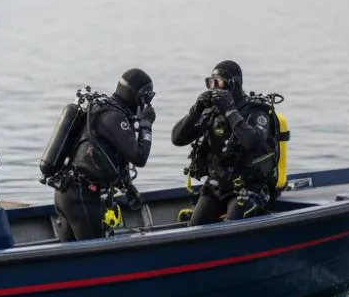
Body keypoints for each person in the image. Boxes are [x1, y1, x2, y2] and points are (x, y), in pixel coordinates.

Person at [52, 69, 155, 242]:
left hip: (67, 192)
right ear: (139, 96)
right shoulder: (114, 118)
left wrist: (128, 188)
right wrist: (146, 125)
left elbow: (109, 158)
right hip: (82, 197)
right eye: (148, 97)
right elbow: (139, 157)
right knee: (93, 257)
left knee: (70, 258)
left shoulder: (103, 109)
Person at [171, 60, 277, 225]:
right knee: (194, 227)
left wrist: (230, 110)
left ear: (233, 84)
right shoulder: (211, 112)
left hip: (248, 188)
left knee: (233, 225)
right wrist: (195, 111)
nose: (214, 87)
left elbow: (254, 143)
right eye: (210, 82)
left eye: (218, 82)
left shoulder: (256, 112)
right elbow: (177, 139)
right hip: (217, 188)